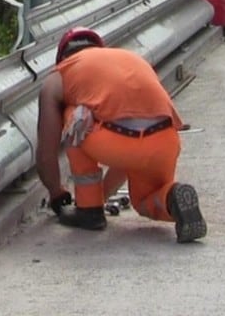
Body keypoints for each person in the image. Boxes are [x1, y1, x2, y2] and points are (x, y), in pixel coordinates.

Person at [35, 27, 206, 243]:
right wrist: (103, 196)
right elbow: (129, 150)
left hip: (118, 142)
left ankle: (88, 210)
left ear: (62, 57)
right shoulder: (130, 59)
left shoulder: (60, 75)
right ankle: (172, 198)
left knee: (76, 115)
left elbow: (46, 153)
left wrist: (56, 192)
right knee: (144, 201)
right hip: (165, 140)